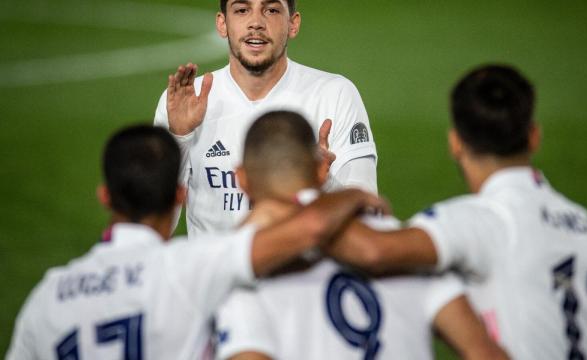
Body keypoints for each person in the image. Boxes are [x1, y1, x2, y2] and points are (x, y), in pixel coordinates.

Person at [328, 65, 587, 359]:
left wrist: (314, 186)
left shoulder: (477, 222)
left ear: (455, 143)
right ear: (534, 136)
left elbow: (371, 251)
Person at [5, 125, 385, 360]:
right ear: (179, 196)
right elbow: (310, 227)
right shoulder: (191, 267)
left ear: (105, 197)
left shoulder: (49, 295)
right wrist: (349, 194)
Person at [214, 111, 508, 360]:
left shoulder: (242, 272)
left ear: (241, 179)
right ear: (320, 170)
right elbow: (484, 351)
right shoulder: (400, 242)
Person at [154, 0, 378, 235]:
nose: (256, 23)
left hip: (301, 270)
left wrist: (323, 181)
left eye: (271, 10)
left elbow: (370, 219)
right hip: (218, 271)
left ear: (293, 24)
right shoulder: (185, 102)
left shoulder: (335, 94)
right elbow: (156, 229)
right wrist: (179, 138)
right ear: (222, 24)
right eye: (242, 10)